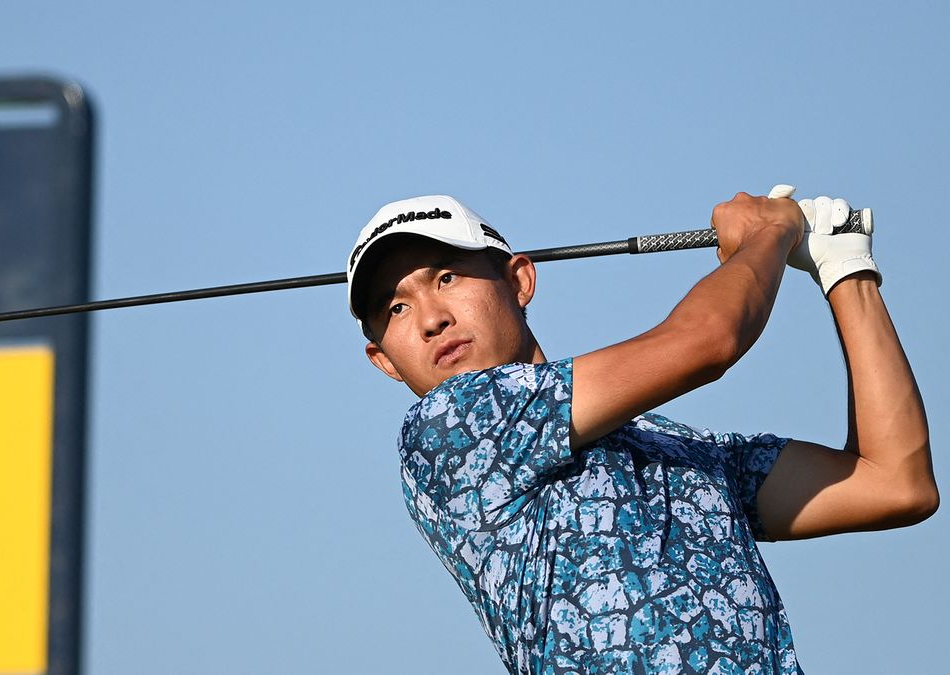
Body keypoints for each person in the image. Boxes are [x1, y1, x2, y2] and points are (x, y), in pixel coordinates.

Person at [345, 189, 937, 674]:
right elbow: (706, 343)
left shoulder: (674, 448)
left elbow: (895, 483)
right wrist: (767, 234)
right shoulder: (450, 429)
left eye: (447, 277)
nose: (429, 318)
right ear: (385, 361)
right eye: (395, 308)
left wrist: (847, 270)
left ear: (520, 281)